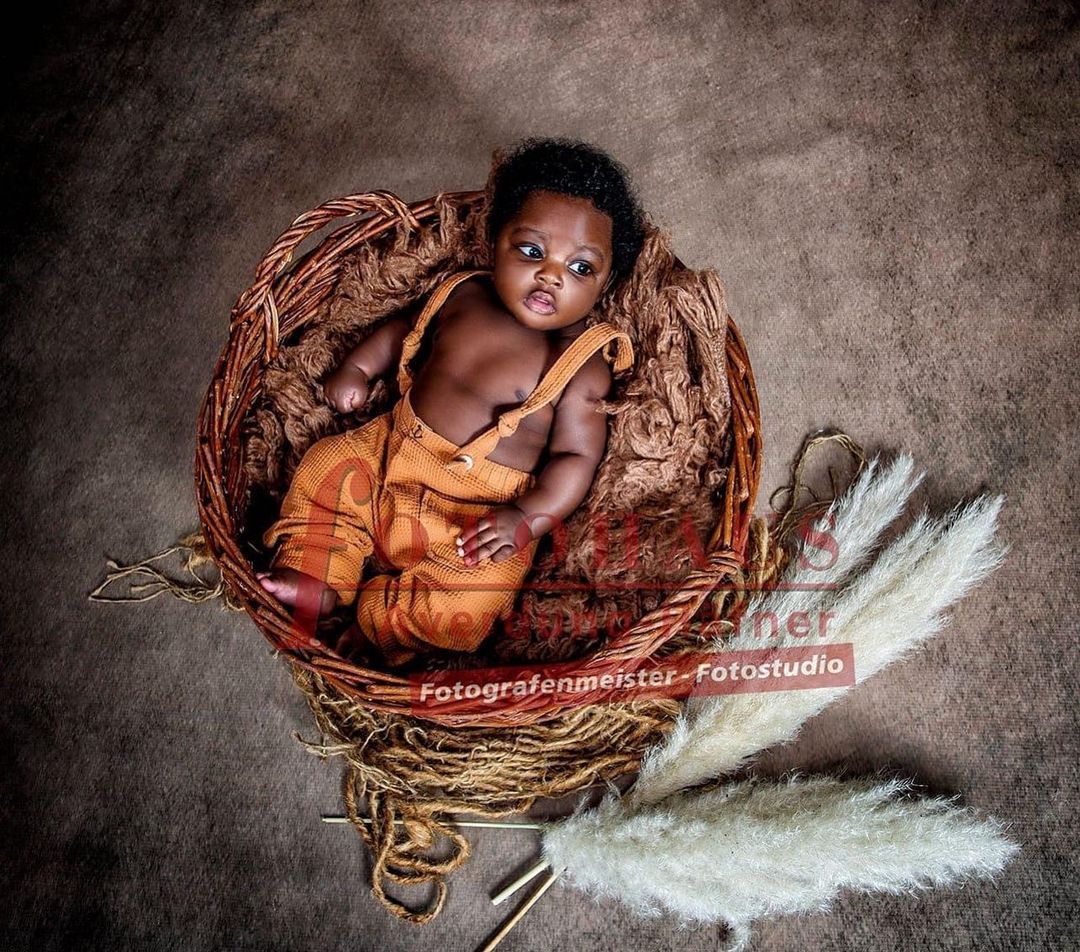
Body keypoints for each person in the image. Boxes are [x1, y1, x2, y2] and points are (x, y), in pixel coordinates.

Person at [256, 136, 646, 667]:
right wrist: (358, 368)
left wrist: (526, 518)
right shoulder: (465, 295)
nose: (552, 274)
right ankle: (316, 575)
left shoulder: (584, 361)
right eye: (532, 251)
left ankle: (382, 626)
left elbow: (575, 458)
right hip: (390, 454)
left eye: (580, 268)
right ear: (494, 240)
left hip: (478, 516)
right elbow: (404, 332)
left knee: (474, 597)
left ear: (606, 282)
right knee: (327, 467)